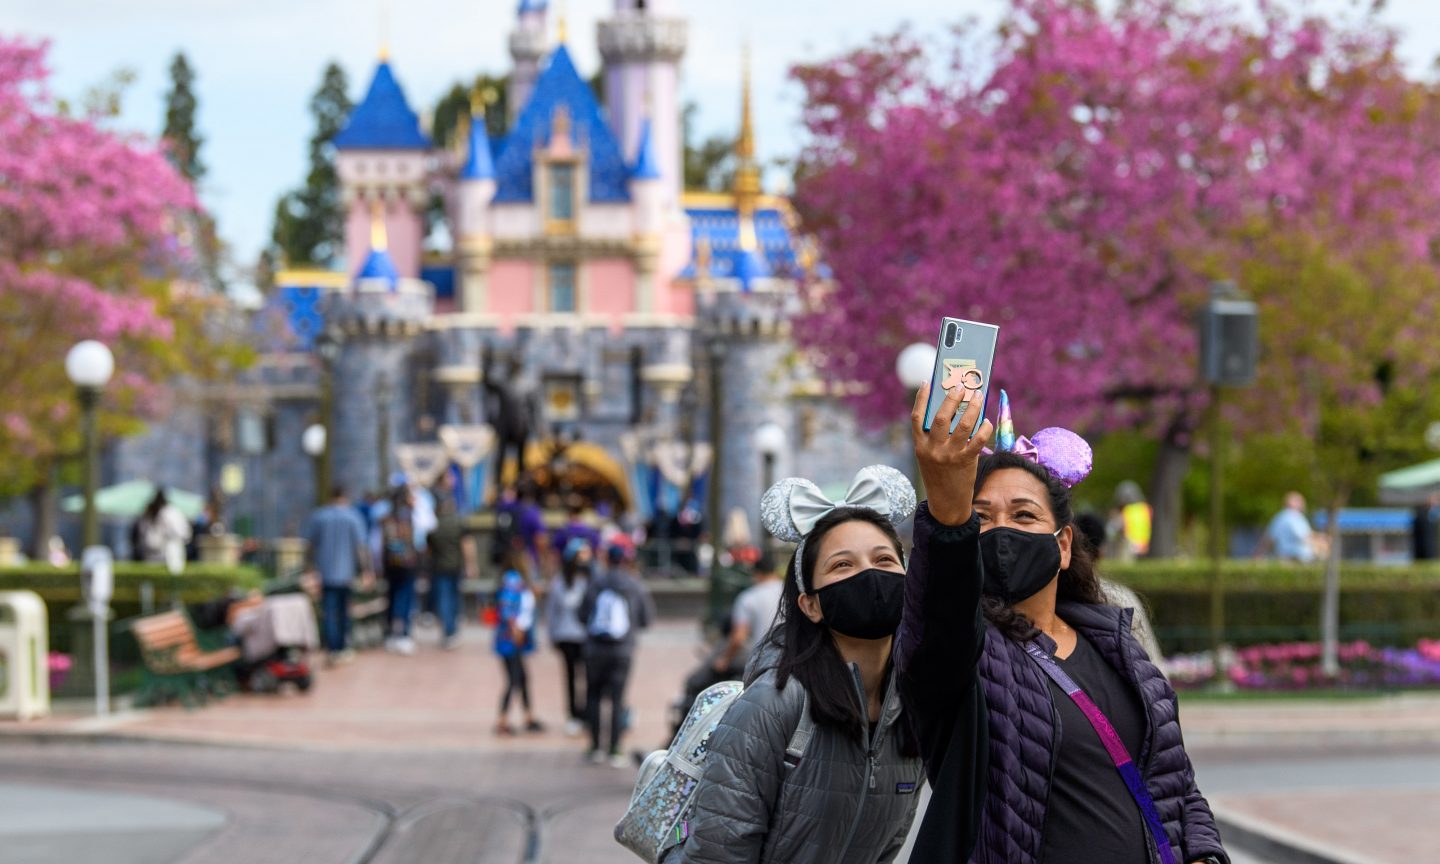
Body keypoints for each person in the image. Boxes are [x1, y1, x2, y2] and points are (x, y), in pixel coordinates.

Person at [898, 383, 1229, 864]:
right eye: (981, 518)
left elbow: (1175, 783)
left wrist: (1202, 854)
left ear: (1063, 544)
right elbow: (937, 616)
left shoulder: (1118, 647)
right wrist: (948, 515)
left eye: (1024, 515)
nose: (1002, 529)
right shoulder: (967, 657)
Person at [671, 465, 925, 864]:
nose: (870, 575)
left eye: (884, 560)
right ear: (810, 604)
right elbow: (718, 852)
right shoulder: (774, 704)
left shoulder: (912, 709)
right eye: (843, 565)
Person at [580, 536, 654, 766]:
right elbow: (646, 618)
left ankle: (595, 746)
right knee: (617, 698)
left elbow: (582, 614)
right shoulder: (634, 584)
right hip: (623, 650)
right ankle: (614, 747)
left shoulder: (595, 582)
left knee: (593, 696)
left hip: (595, 649)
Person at [303, 486, 371, 666]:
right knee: (344, 611)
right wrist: (366, 571)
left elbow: (309, 545)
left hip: (326, 573)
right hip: (346, 573)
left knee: (329, 612)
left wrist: (309, 568)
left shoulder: (319, 516)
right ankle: (342, 647)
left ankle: (332, 649)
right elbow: (361, 548)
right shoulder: (353, 517)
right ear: (346, 496)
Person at [546, 537, 592, 737]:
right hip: (567, 637)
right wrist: (552, 635)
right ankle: (573, 715)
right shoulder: (560, 582)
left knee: (590, 678)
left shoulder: (591, 580)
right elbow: (552, 611)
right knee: (571, 677)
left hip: (587, 637)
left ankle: (588, 714)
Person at [494, 548, 543, 735]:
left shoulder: (519, 581)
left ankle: (528, 716)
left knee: (522, 678)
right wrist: (515, 629)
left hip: (516, 639)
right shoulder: (512, 579)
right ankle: (502, 719)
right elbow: (507, 607)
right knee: (514, 679)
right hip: (510, 639)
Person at [711, 553, 783, 677]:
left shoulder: (748, 597)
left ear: (756, 573)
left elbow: (739, 637)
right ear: (775, 571)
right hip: (792, 656)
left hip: (763, 661)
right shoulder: (790, 591)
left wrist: (725, 660)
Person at [426, 493, 473, 650]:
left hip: (439, 567)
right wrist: (470, 564)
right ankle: (452, 630)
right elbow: (467, 544)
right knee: (453, 598)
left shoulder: (434, 524)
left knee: (444, 599)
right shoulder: (458, 522)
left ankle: (448, 631)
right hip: (455, 566)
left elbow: (428, 548)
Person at [380, 487, 420, 655]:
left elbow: (380, 543)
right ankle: (403, 634)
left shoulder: (386, 517)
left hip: (390, 564)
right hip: (406, 564)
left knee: (392, 596)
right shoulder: (408, 517)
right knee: (405, 598)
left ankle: (390, 633)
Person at [1255, 491, 1315, 563]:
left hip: (1284, 556)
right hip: (1299, 556)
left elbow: (1269, 538)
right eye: (1300, 501)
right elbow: (1303, 537)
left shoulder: (1279, 517)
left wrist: (1258, 554)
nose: (1303, 504)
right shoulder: (1294, 516)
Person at [137, 490, 192, 566]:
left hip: (169, 547)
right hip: (156, 549)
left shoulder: (170, 512)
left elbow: (183, 533)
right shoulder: (170, 512)